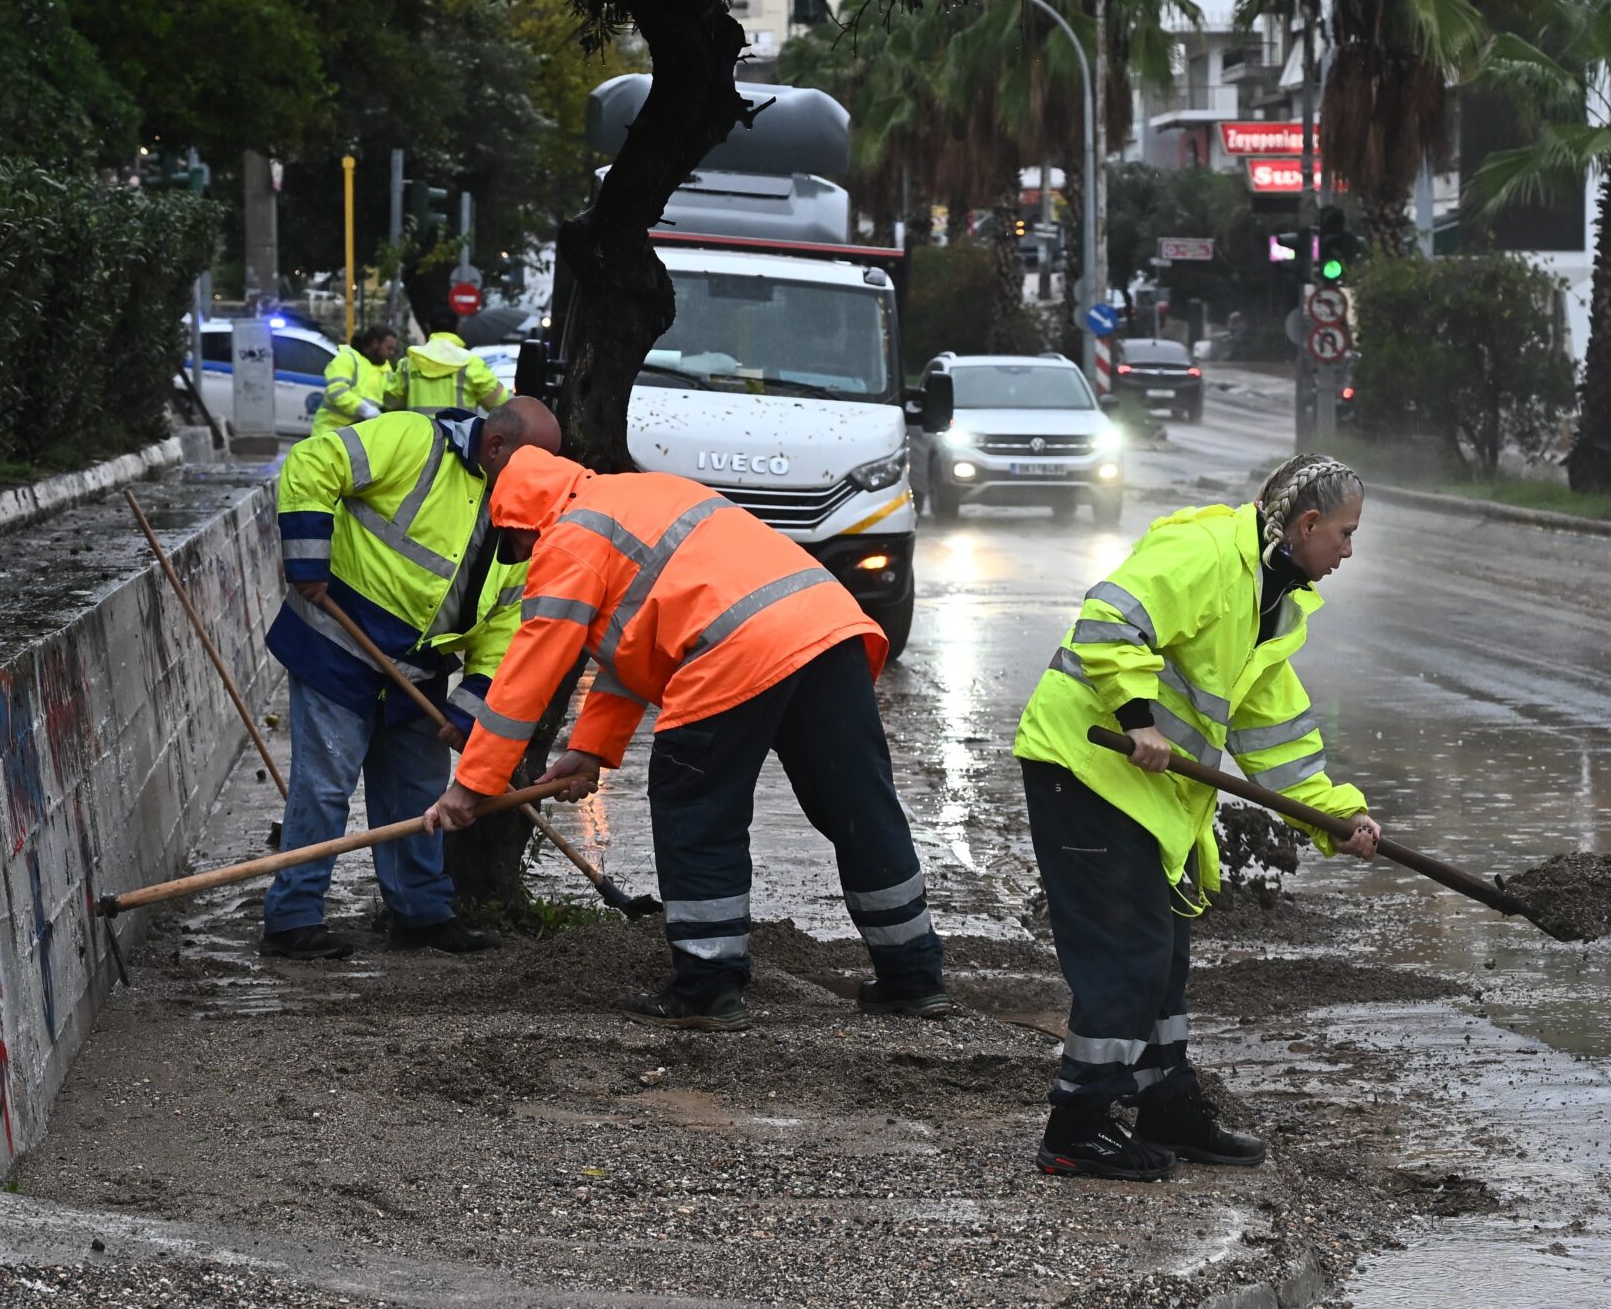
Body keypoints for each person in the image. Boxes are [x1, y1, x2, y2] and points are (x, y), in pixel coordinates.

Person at [420, 448, 951, 1031]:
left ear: (521, 524)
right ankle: (914, 976)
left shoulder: (566, 540)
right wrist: (591, 749)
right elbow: (632, 648)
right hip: (828, 631)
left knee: (697, 811)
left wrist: (472, 785)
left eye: (515, 548)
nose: (521, 560)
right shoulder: (645, 495)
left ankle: (707, 986)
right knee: (860, 809)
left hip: (736, 648)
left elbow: (528, 675)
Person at [1012, 454, 1381, 1180]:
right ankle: (1076, 1125)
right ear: (1307, 524)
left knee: (1163, 960)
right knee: (1127, 955)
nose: (1348, 550)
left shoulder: (1274, 601)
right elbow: (1110, 615)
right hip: (1085, 768)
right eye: (1344, 533)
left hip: (1145, 796)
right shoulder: (1205, 552)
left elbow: (1276, 740)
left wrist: (1335, 814)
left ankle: (1165, 1103)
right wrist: (1136, 716)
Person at [260, 396, 562, 960]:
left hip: (417, 673)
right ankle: (292, 920)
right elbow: (310, 461)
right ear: (495, 446)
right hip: (339, 647)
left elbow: (502, 627)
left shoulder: (519, 513)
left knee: (419, 796)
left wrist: (465, 709)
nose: (537, 483)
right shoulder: (412, 440)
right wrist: (307, 559)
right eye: (530, 466)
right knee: (324, 789)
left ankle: (421, 915)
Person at [394, 328, 506, 414]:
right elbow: (498, 402)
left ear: (428, 327)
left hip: (418, 436)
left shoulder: (408, 363)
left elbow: (392, 403)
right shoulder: (471, 362)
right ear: (458, 328)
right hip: (460, 438)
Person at [317, 325, 400, 432]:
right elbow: (336, 392)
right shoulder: (347, 359)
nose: (391, 353)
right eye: (389, 348)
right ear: (375, 344)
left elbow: (390, 398)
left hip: (359, 434)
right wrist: (364, 409)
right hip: (330, 429)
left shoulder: (386, 370)